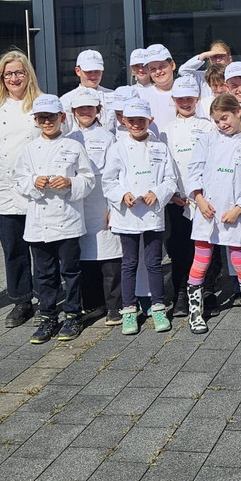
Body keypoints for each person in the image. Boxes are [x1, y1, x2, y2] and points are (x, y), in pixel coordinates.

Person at [13, 94, 96, 344]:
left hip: (67, 219)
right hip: (39, 221)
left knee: (71, 271)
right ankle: (48, 316)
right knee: (44, 274)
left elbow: (88, 179)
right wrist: (34, 182)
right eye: (42, 118)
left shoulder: (74, 146)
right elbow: (18, 180)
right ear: (35, 121)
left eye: (51, 117)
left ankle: (73, 315)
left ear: (62, 117)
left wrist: (70, 182)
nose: (47, 122)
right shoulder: (28, 150)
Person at [185, 94, 241, 334]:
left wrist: (239, 209)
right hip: (207, 212)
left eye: (225, 118)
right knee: (201, 260)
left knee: (240, 259)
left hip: (234, 213)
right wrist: (199, 200)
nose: (221, 124)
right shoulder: (207, 140)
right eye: (216, 121)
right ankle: (195, 312)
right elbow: (194, 171)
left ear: (238, 112)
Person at [102, 99, 178, 335]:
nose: (136, 124)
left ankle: (158, 307)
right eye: (132, 120)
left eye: (141, 120)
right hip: (127, 215)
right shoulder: (117, 148)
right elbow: (108, 180)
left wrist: (157, 192)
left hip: (152, 214)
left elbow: (170, 179)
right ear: (124, 122)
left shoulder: (160, 147)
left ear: (150, 121)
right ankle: (129, 310)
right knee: (129, 263)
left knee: (154, 262)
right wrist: (122, 194)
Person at [0, 50, 41, 328]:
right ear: (1, 78)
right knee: (13, 249)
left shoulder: (42, 103)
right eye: (8, 74)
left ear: (28, 75)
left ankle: (47, 296)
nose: (14, 78)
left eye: (19, 72)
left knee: (42, 248)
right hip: (4, 190)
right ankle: (21, 300)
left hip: (37, 189)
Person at [66, 87, 124, 325]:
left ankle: (114, 305)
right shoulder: (68, 138)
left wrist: (112, 208)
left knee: (109, 255)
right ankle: (92, 304)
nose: (85, 112)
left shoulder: (108, 137)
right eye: (80, 109)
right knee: (84, 255)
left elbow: (114, 173)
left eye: (90, 108)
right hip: (78, 201)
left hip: (101, 199)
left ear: (98, 110)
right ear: (73, 111)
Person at [161, 76, 214, 317]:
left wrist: (203, 195)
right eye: (180, 98)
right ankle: (181, 294)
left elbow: (212, 163)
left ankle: (207, 291)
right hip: (178, 199)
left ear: (197, 98)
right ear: (173, 99)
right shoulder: (166, 130)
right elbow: (164, 166)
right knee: (179, 249)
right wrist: (173, 194)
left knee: (205, 247)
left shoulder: (208, 126)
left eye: (189, 98)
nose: (185, 102)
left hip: (203, 199)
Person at [60, 48, 114, 128]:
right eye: (88, 72)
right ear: (78, 71)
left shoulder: (114, 96)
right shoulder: (66, 100)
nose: (93, 76)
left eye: (97, 71)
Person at [142, 44, 180, 126]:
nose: (158, 71)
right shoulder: (143, 96)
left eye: (162, 66)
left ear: (172, 65)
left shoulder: (186, 92)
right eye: (153, 69)